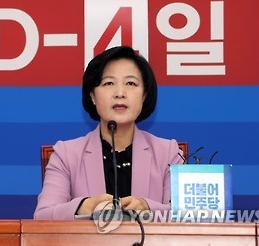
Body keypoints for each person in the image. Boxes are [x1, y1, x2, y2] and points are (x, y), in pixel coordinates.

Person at [34, 46, 182, 220]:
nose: (120, 93)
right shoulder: (66, 155)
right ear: (92, 96)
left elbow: (186, 217)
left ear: (144, 96)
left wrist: (148, 207)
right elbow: (42, 217)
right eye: (109, 83)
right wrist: (84, 206)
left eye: (131, 83)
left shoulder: (168, 153)